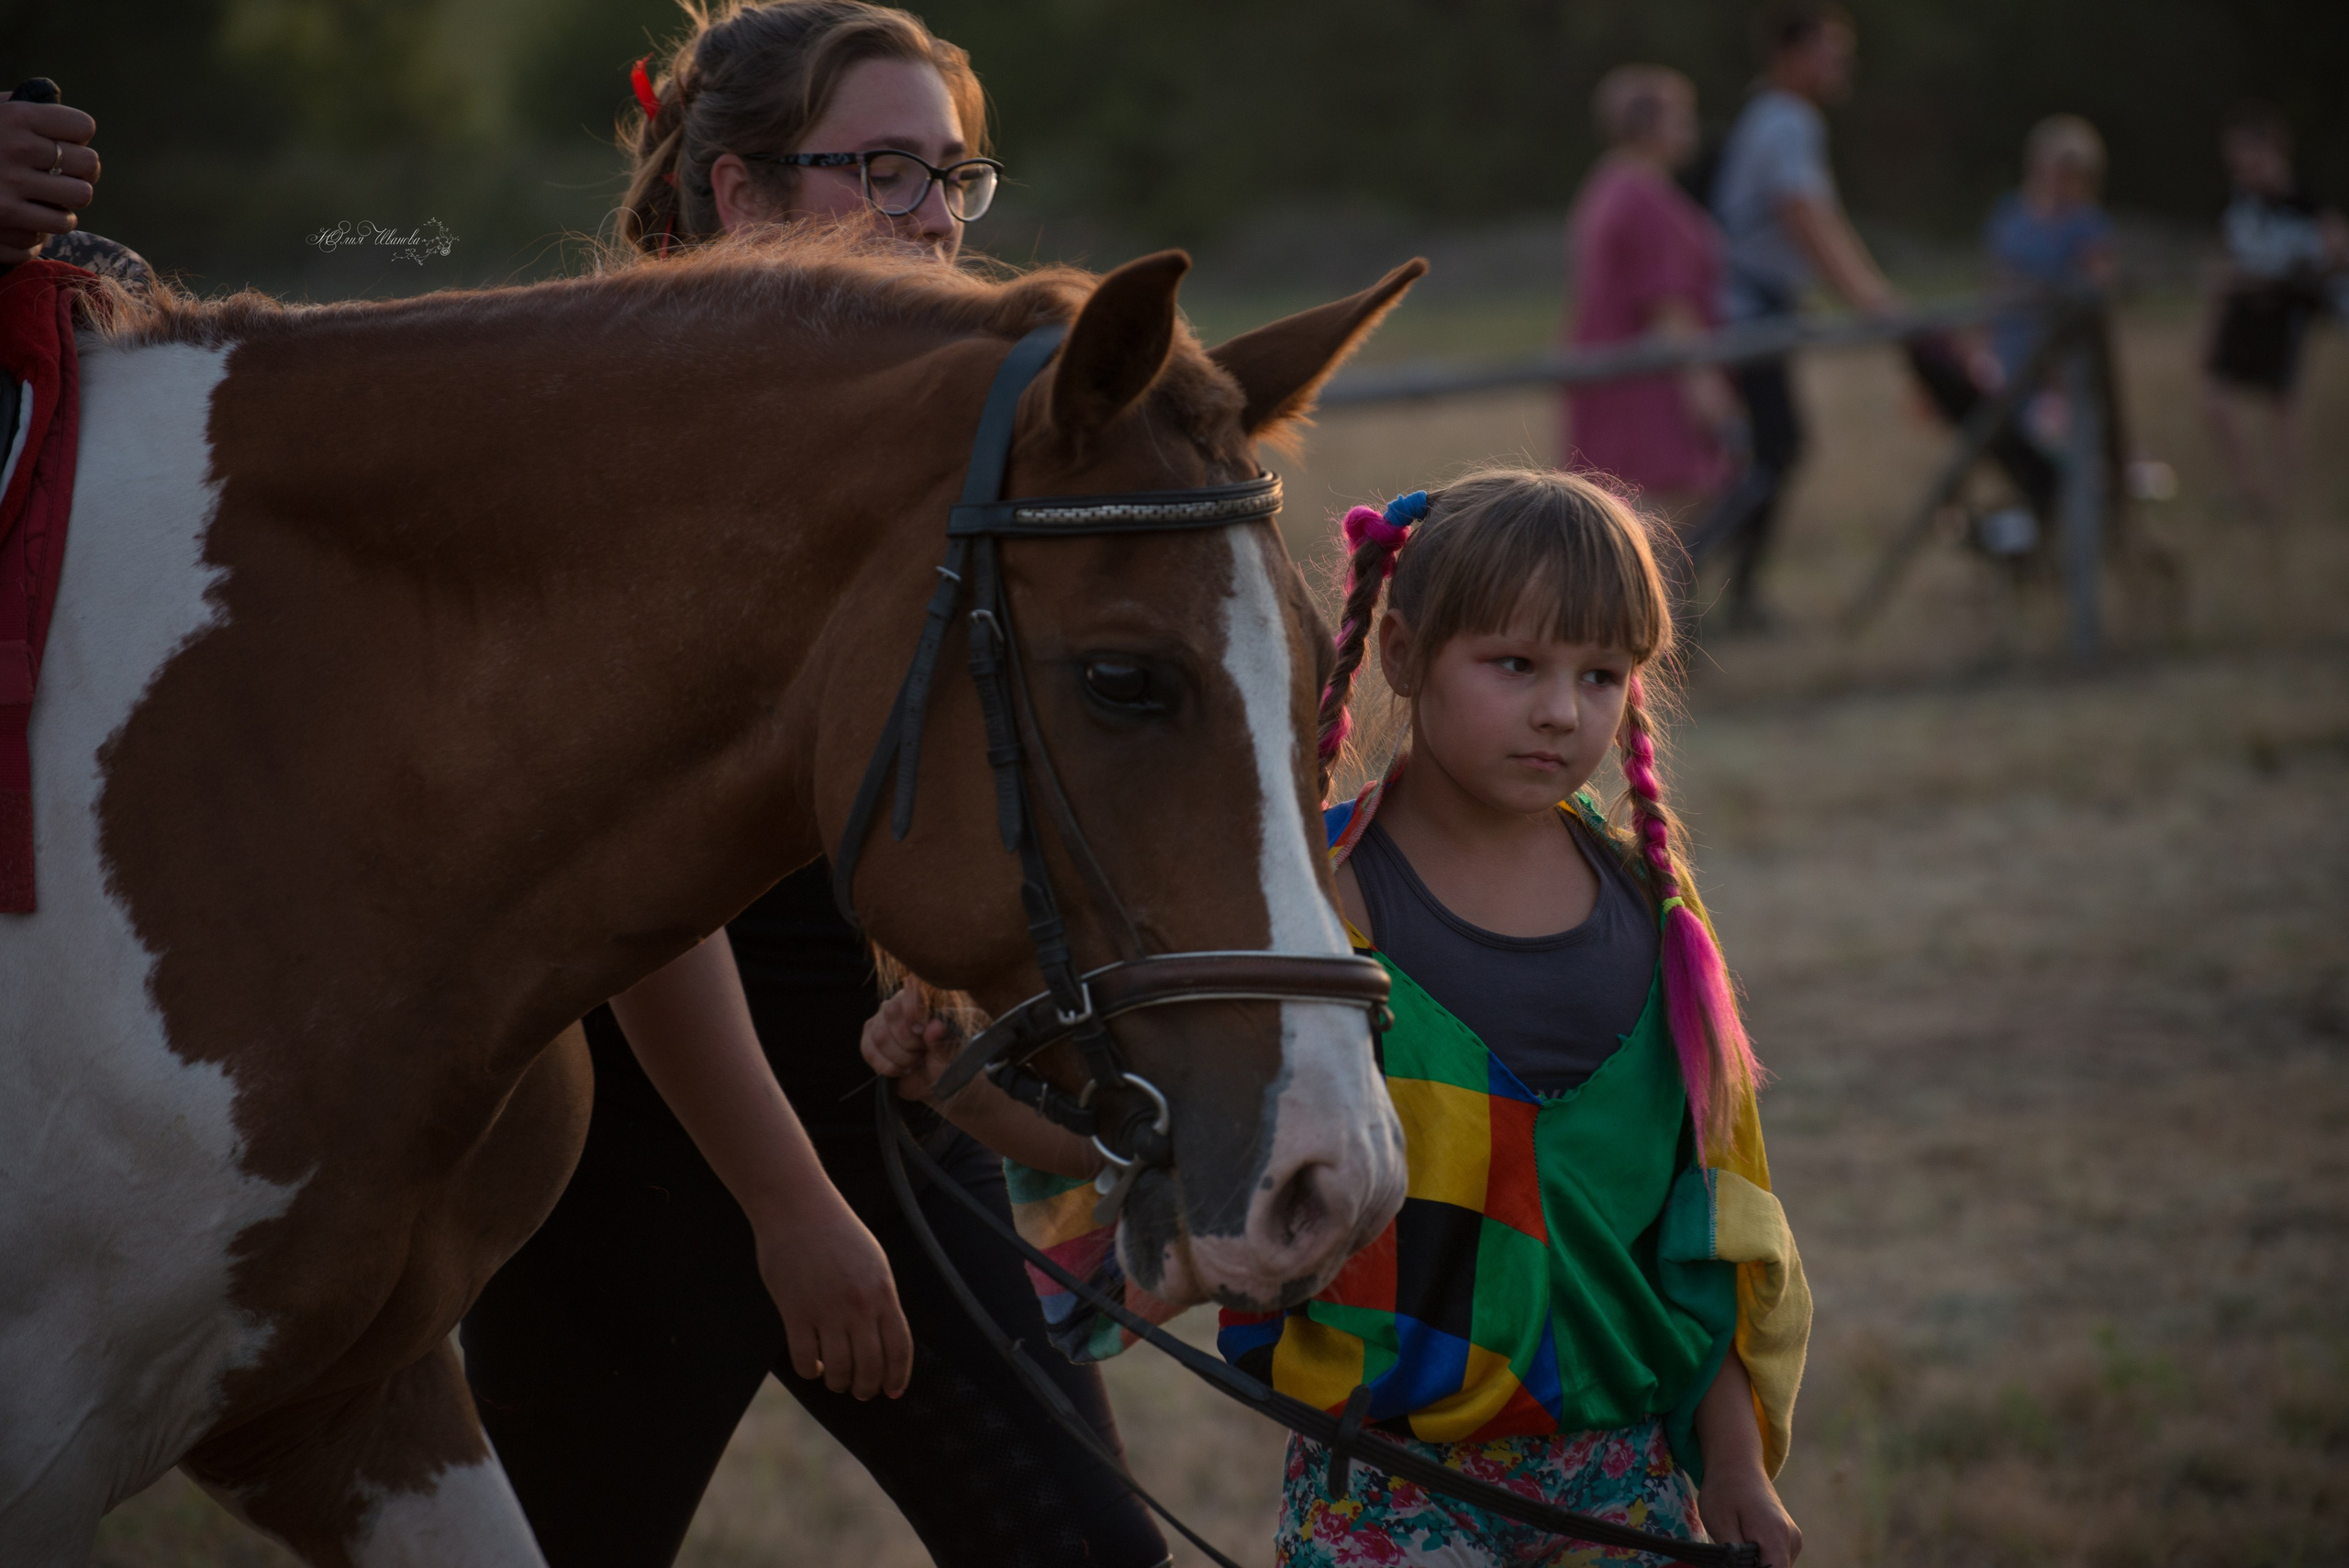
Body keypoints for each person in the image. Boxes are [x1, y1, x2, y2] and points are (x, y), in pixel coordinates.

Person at [457, 6, 1168, 1567]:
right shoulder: (621, 460)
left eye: (953, 175)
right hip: (625, 1170)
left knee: (1085, 1551)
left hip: (896, 1140)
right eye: (886, 169)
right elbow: (639, 900)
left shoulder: (936, 460)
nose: (935, 216)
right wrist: (788, 1205)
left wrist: (967, 1029)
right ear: (742, 194)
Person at [866, 472, 1812, 1568]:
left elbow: (1712, 1224)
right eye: (1514, 663)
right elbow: (1150, 1149)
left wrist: (1733, 1462)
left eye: (1599, 673)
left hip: (1621, 1487)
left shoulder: (1654, 912)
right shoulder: (1301, 905)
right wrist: (964, 1089)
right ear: (1402, 651)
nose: (1561, 709)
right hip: (1382, 1489)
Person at [1696, 0, 1898, 630]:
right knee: (1774, 450)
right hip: (1748, 311)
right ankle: (1692, 578)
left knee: (1770, 449)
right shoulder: (1787, 121)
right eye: (1829, 51)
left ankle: (1724, 590)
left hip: (1748, 305)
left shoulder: (1768, 114)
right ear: (1790, 54)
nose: (1842, 64)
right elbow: (1803, 213)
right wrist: (1869, 297)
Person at [1563, 66, 1736, 528]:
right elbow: (1668, 306)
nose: (1690, 130)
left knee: (1620, 517)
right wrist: (1708, 392)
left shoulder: (1608, 183)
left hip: (1611, 374)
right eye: (1681, 118)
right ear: (1650, 127)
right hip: (1646, 387)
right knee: (1654, 519)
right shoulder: (1646, 196)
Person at [2200, 101, 2349, 521]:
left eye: (2250, 158)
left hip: (2282, 313)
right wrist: (2211, 321)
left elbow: (2335, 252)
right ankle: (2249, 491)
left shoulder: (2303, 204)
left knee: (2282, 406)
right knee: (2216, 401)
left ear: (2274, 151)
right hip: (2243, 310)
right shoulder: (2239, 205)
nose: (2242, 169)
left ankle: (2283, 501)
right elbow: (2225, 262)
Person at [1983, 114, 2116, 393]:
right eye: (2056, 167)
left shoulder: (2086, 222)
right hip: (2014, 336)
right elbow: (1996, 279)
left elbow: (2100, 281)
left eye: (2072, 171)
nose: (2059, 178)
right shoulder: (2011, 214)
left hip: (2063, 343)